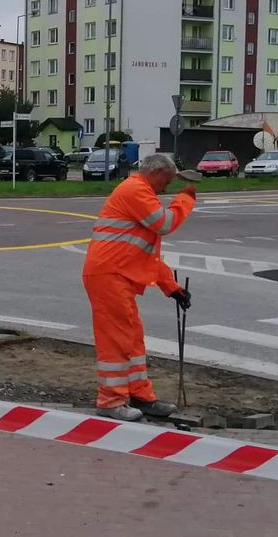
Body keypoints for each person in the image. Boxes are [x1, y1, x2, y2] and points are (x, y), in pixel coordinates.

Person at [82, 154, 197, 422]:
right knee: (117, 338)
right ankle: (110, 401)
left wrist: (172, 288)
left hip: (117, 274)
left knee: (132, 338)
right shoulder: (135, 189)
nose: (166, 189)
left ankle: (140, 396)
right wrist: (186, 200)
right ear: (155, 172)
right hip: (109, 275)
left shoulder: (141, 193)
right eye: (166, 182)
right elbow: (165, 224)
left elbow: (147, 254)